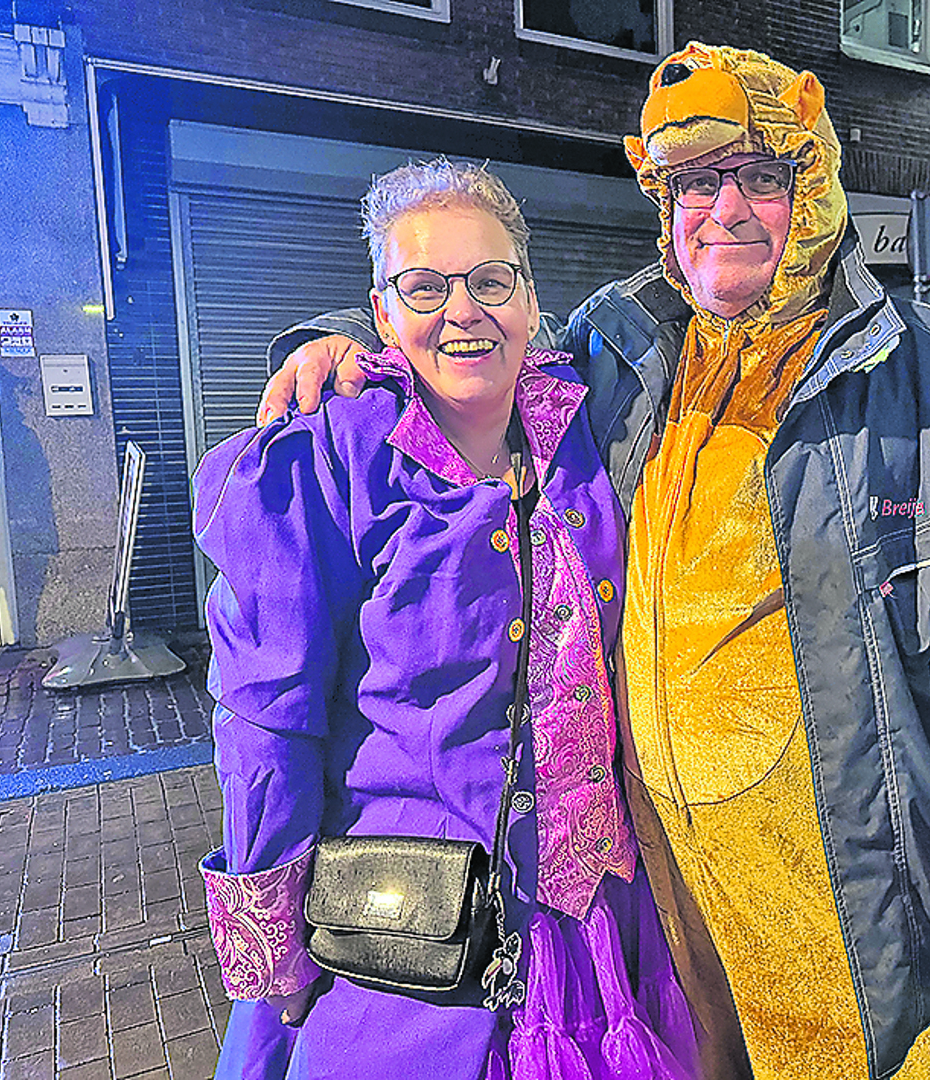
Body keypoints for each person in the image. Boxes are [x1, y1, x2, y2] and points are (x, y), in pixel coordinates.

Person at [258, 43, 930, 1080]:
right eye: (692, 184)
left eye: (758, 177)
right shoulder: (622, 348)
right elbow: (469, 336)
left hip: (843, 895)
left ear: (811, 189)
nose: (722, 210)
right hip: (667, 906)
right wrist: (333, 341)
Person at [195, 159, 698, 1080]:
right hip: (412, 947)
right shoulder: (325, 460)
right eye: (423, 287)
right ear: (381, 314)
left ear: (532, 300)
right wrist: (275, 949)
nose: (462, 310)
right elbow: (266, 720)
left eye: (490, 281)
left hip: (598, 927)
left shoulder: (583, 420)